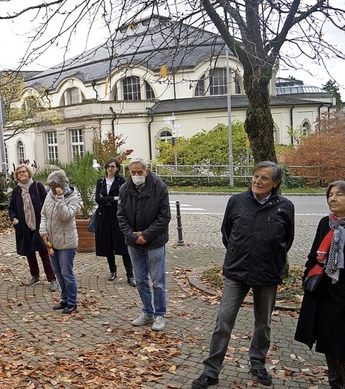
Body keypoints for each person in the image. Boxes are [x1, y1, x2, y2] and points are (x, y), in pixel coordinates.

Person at [191, 161, 295, 389]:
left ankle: (257, 364)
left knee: (263, 324)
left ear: (275, 183)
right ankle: (211, 371)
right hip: (236, 272)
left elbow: (286, 240)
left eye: (264, 178)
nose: (257, 181)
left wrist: (269, 257)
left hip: (267, 274)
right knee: (223, 321)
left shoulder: (285, 206)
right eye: (256, 176)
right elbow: (226, 234)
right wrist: (239, 253)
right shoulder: (236, 201)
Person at [295, 180, 345, 389]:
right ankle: (335, 383)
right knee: (328, 344)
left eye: (339, 194)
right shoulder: (326, 223)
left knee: (341, 345)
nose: (332, 198)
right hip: (325, 293)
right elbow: (314, 255)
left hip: (344, 295)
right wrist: (308, 277)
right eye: (330, 195)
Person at [117, 157, 171, 331]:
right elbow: (121, 216)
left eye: (140, 172)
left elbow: (164, 216)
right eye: (133, 172)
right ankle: (147, 312)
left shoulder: (159, 187)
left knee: (158, 281)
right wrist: (134, 237)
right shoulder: (125, 189)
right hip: (134, 242)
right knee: (140, 280)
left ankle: (160, 314)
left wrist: (146, 235)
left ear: (146, 171)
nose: (136, 175)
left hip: (155, 241)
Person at [8, 164, 58, 291]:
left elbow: (47, 204)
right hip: (23, 226)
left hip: (39, 226)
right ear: (17, 176)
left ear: (29, 173)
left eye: (24, 171)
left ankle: (52, 278)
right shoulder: (16, 191)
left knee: (44, 252)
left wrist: (47, 222)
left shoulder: (37, 186)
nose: (22, 174)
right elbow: (11, 208)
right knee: (29, 252)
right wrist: (14, 218)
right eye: (19, 172)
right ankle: (34, 275)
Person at [40, 170, 79, 314]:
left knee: (66, 273)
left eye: (53, 187)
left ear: (62, 186)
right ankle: (64, 299)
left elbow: (66, 216)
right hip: (52, 241)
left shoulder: (72, 197)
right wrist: (43, 232)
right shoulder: (49, 195)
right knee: (58, 272)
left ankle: (72, 301)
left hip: (66, 242)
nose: (51, 190)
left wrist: (59, 198)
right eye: (50, 188)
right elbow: (43, 214)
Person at [95, 157, 135, 286]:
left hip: (118, 216)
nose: (110, 169)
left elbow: (122, 199)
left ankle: (130, 274)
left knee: (123, 245)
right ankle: (112, 270)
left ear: (117, 168)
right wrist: (113, 198)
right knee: (108, 245)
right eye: (108, 166)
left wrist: (107, 198)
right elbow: (97, 199)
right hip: (104, 217)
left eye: (113, 166)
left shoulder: (121, 181)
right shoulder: (100, 182)